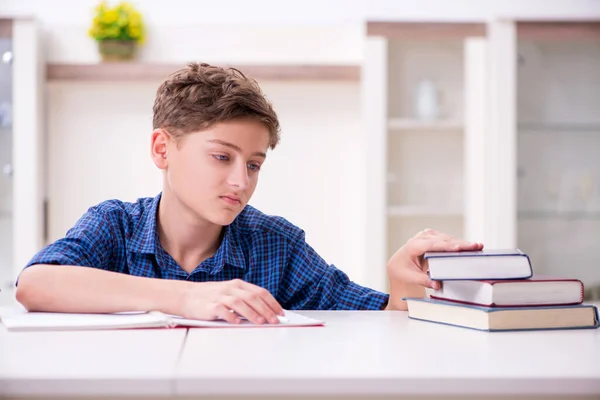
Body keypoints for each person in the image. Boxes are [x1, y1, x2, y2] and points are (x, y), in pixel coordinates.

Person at [15, 62, 483, 325]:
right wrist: (185, 297)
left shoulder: (275, 244)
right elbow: (35, 285)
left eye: (254, 164)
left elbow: (380, 320)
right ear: (163, 148)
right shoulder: (115, 225)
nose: (242, 181)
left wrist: (400, 282)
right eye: (222, 157)